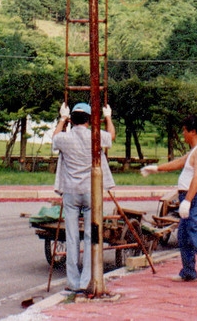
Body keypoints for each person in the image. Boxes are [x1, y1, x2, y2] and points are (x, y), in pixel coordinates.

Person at [140, 114, 197, 289]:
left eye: (185, 131)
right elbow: (180, 162)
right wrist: (156, 169)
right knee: (184, 236)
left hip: (196, 198)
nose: (183, 135)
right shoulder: (195, 150)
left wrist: (187, 201)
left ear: (192, 131)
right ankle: (188, 272)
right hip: (191, 197)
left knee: (195, 237)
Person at [52, 100, 116, 293]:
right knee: (91, 237)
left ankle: (73, 281)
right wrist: (108, 117)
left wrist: (62, 119)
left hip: (71, 191)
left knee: (72, 237)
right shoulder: (95, 136)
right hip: (91, 192)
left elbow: (54, 138)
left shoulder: (65, 138)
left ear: (72, 120)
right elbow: (111, 136)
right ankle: (87, 279)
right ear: (89, 120)